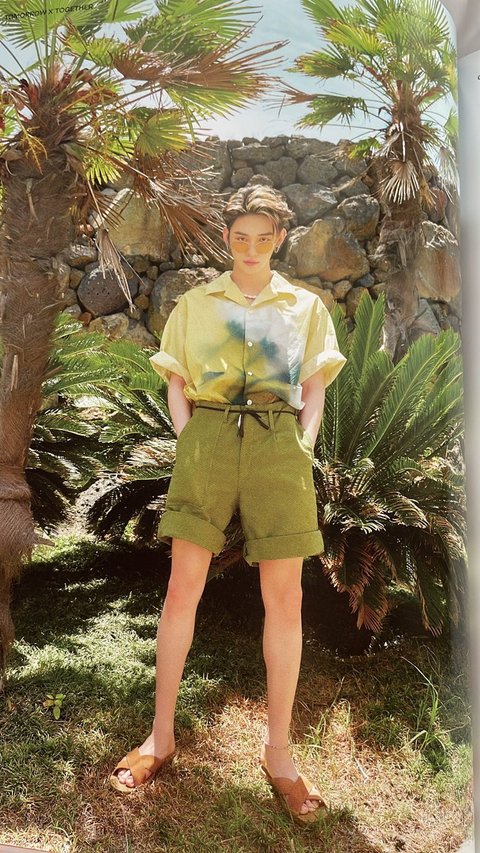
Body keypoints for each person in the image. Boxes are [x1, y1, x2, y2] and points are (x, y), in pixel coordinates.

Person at [109, 185, 347, 825]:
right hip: (209, 439)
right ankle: (160, 737)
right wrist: (190, 437)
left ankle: (279, 754)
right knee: (182, 586)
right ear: (227, 239)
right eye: (240, 238)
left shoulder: (305, 307)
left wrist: (303, 444)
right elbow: (176, 377)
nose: (250, 249)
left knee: (286, 597)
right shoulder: (196, 304)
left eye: (262, 238)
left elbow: (315, 384)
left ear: (280, 239)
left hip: (279, 444)